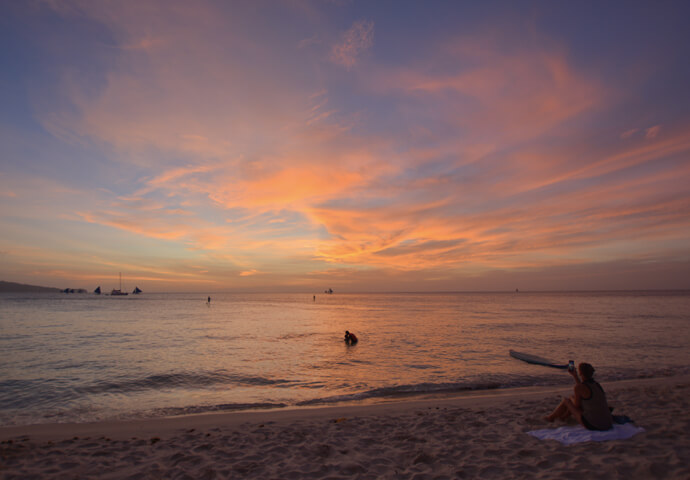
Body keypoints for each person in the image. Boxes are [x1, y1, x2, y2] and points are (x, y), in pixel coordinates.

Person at [545, 362, 613, 431]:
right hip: (608, 423)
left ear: (580, 373)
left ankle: (551, 418)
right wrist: (575, 376)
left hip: (594, 424)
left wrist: (571, 399)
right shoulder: (597, 385)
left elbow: (576, 406)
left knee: (566, 400)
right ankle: (563, 418)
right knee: (573, 397)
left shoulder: (579, 387)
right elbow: (582, 389)